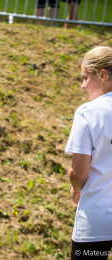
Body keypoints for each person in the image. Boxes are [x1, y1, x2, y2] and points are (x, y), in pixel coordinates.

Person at [65, 46, 112, 260]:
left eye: (85, 78)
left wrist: (75, 187)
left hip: (96, 222)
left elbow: (79, 172)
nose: (83, 86)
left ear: (102, 75)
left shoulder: (88, 112)